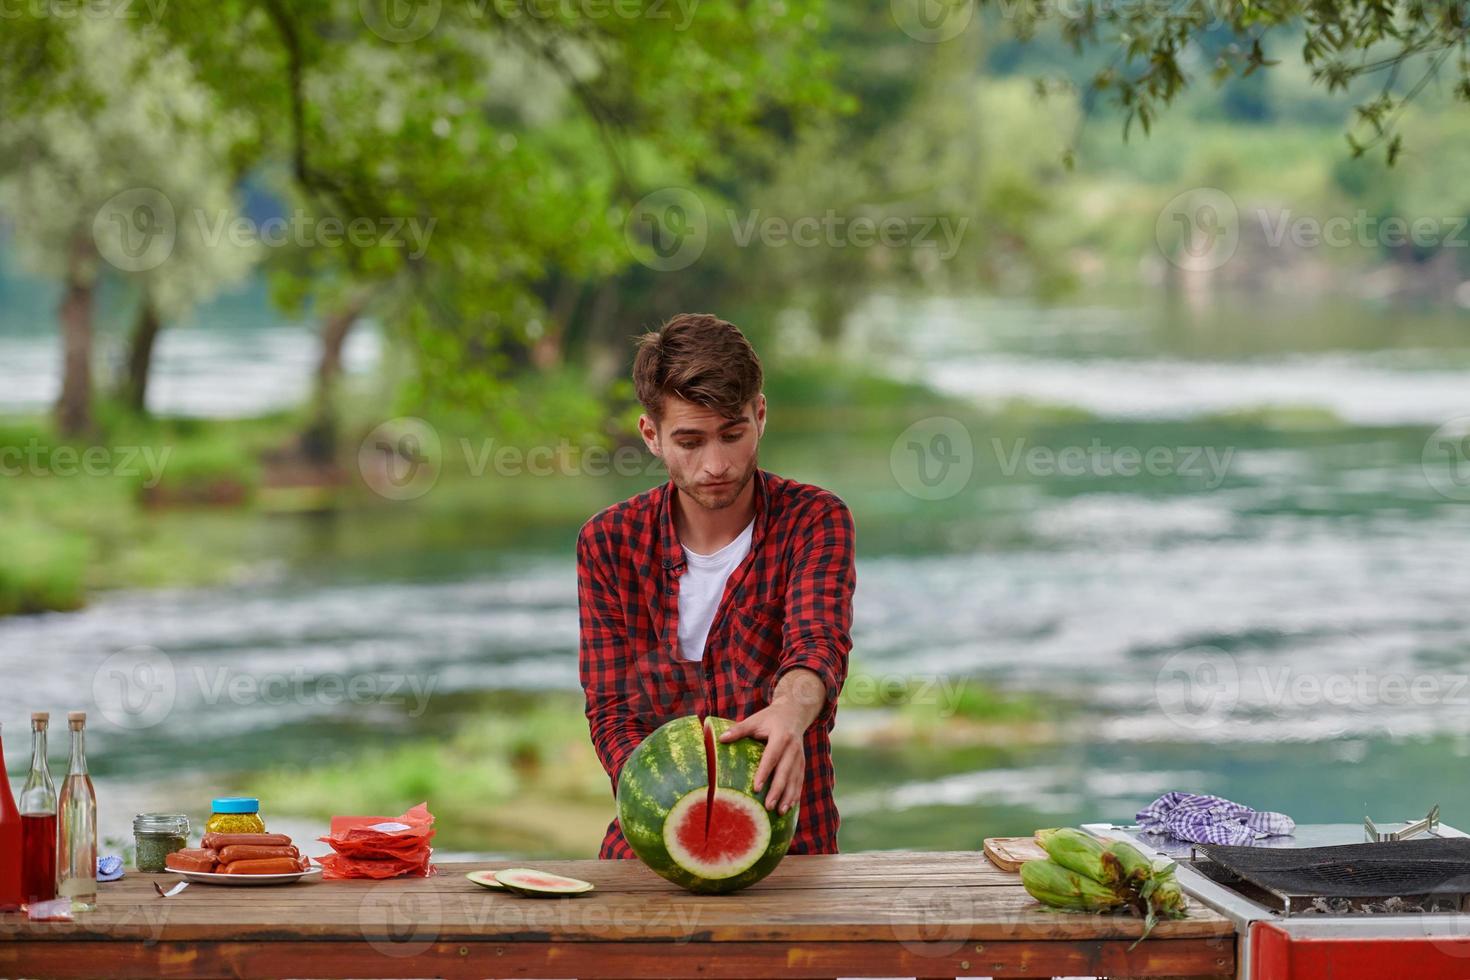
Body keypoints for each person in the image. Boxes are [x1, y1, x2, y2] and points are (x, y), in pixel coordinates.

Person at [576, 312, 856, 859]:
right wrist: (675, 809)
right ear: (651, 435)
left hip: (792, 850)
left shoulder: (816, 520)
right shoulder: (607, 543)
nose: (716, 465)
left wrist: (789, 714)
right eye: (690, 441)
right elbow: (610, 709)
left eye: (733, 434)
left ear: (761, 414)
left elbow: (817, 646)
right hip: (649, 851)